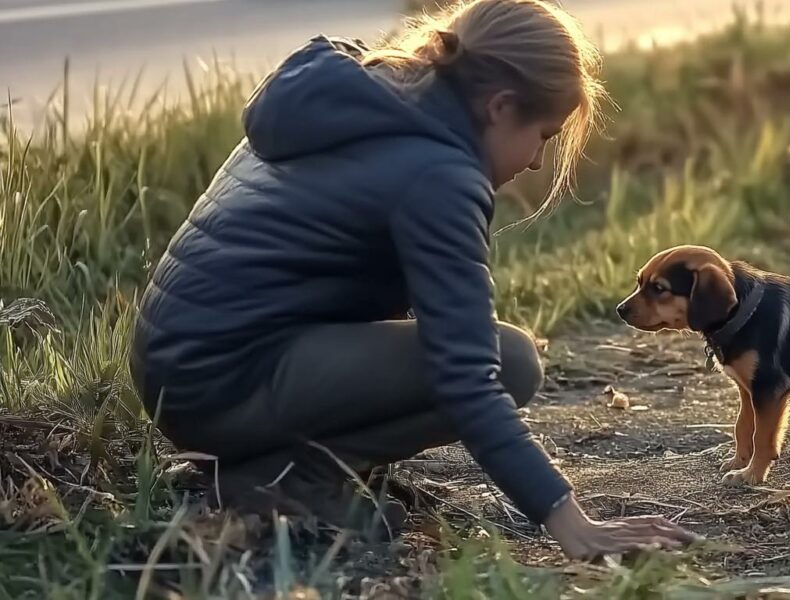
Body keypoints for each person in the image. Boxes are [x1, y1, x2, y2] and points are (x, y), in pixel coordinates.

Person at [127, 0, 700, 559]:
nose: (534, 163)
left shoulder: (360, 91)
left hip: (177, 369)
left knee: (473, 349)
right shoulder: (440, 176)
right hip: (221, 383)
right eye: (544, 136)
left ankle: (282, 463)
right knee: (513, 361)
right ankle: (283, 479)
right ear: (500, 106)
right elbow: (468, 377)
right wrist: (571, 521)